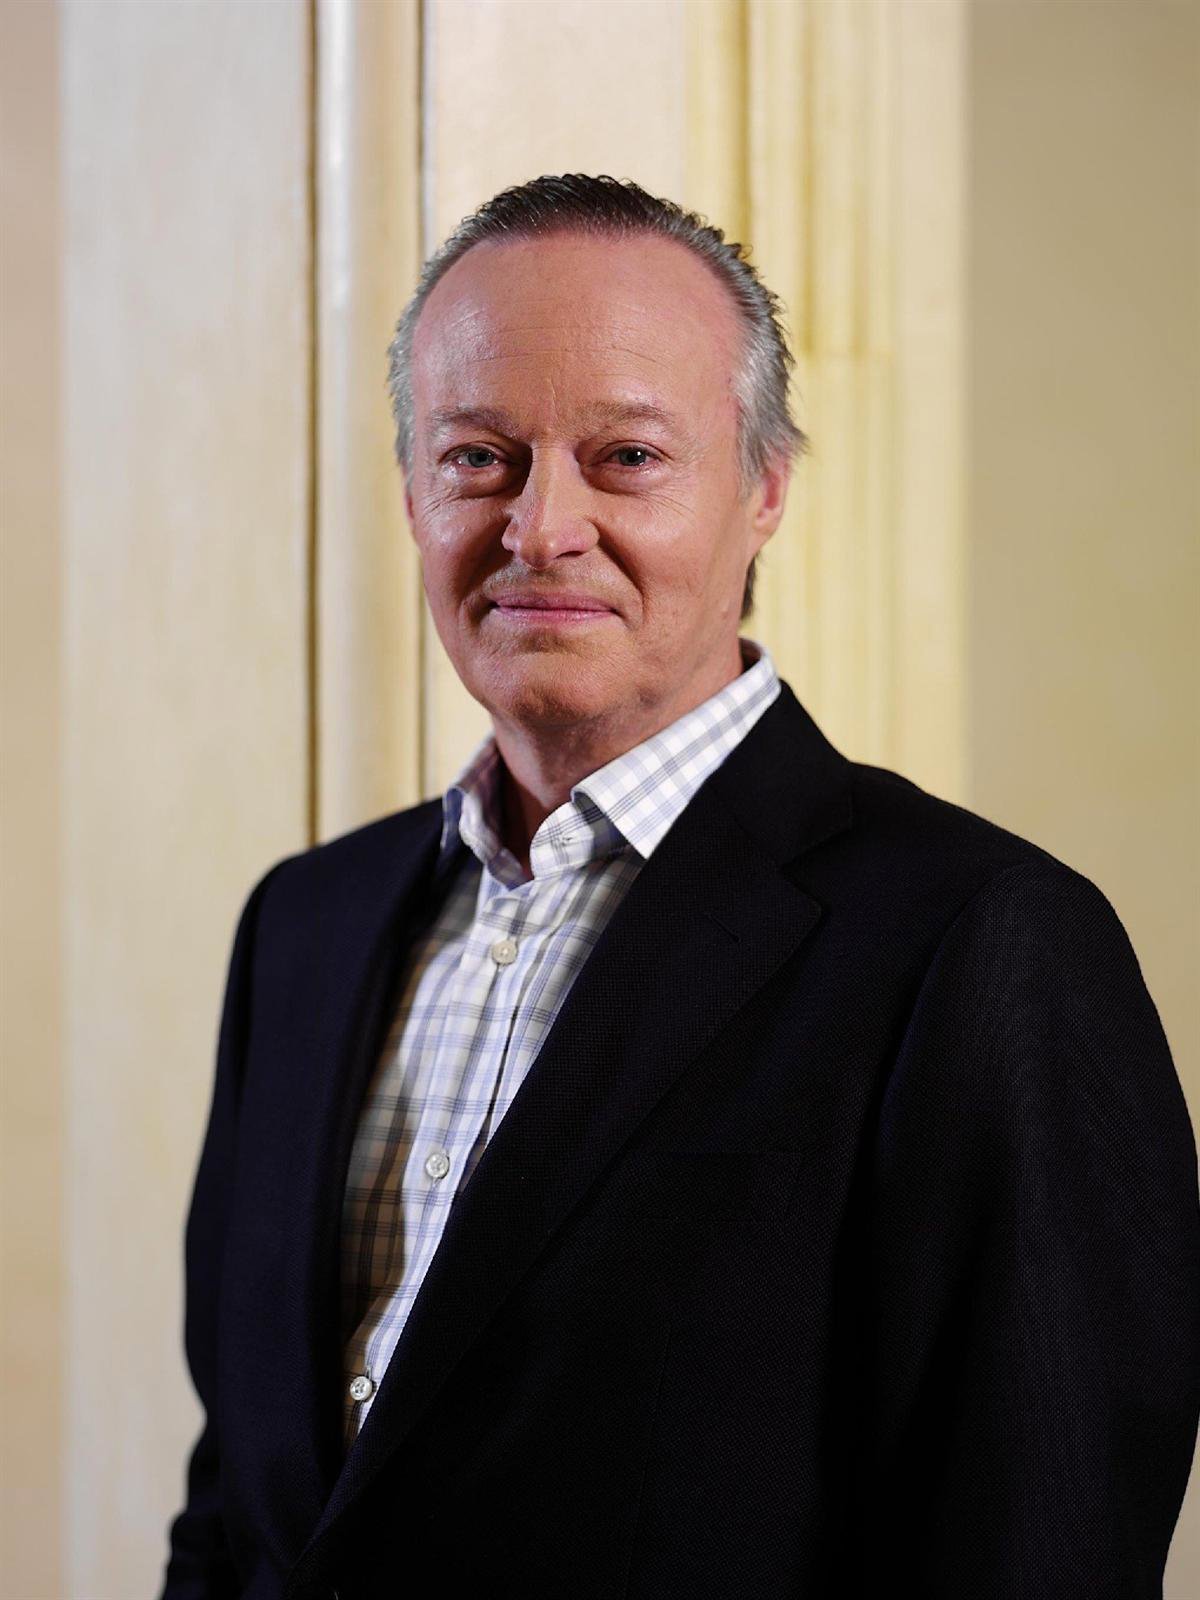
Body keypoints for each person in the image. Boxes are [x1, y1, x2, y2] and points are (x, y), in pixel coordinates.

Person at [160, 174, 1199, 1600]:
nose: (542, 526)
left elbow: (1040, 1555)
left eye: (628, 457)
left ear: (765, 489)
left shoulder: (986, 945)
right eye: (478, 457)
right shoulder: (305, 925)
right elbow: (236, 1514)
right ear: (411, 493)